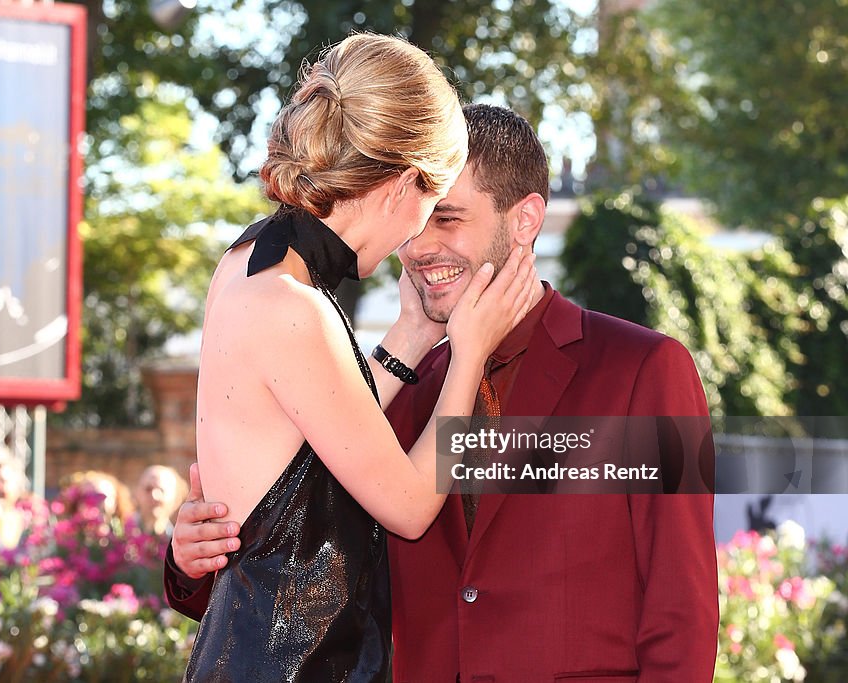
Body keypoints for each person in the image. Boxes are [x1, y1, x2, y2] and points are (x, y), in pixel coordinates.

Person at [166, 104, 720, 682]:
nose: (419, 245)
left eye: (448, 218)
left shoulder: (649, 369)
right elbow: (297, 584)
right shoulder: (398, 391)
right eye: (417, 219)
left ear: (526, 219)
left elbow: (682, 604)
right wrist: (194, 559)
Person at [181, 34, 535, 683]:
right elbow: (405, 502)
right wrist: (469, 353)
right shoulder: (294, 305)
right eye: (431, 204)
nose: (418, 236)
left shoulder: (250, 261)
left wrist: (410, 336)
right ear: (403, 184)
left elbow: (314, 435)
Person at [133, 465, 188, 537]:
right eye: (148, 489)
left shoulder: (180, 543)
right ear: (137, 493)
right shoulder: (119, 536)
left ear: (176, 500)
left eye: (161, 490)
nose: (154, 496)